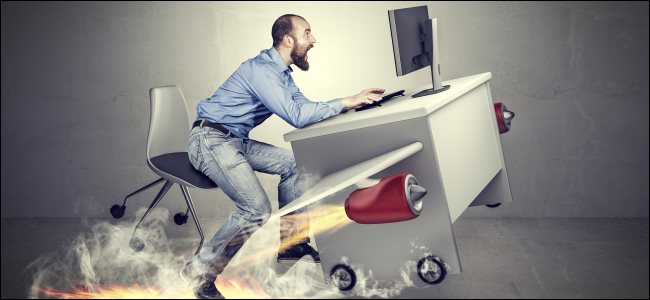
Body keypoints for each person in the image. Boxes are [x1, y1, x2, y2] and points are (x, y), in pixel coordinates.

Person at [182, 14, 384, 299]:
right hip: (209, 140)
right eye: (308, 34)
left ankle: (292, 242)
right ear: (288, 40)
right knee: (255, 209)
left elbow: (304, 106)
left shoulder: (281, 73)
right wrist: (343, 102)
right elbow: (298, 116)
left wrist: (349, 105)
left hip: (234, 140)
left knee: (293, 164)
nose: (313, 40)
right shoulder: (262, 71)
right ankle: (200, 270)